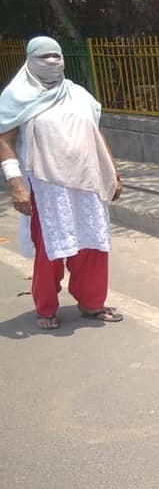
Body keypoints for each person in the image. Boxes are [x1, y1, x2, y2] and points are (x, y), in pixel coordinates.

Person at [0, 36, 124, 330]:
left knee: (93, 245)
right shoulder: (16, 97)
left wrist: (112, 173)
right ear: (30, 60)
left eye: (57, 55)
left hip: (86, 181)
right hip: (46, 186)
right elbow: (5, 141)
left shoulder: (78, 94)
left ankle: (92, 303)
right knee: (51, 247)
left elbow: (95, 133)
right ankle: (45, 307)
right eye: (44, 57)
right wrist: (17, 185)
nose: (53, 61)